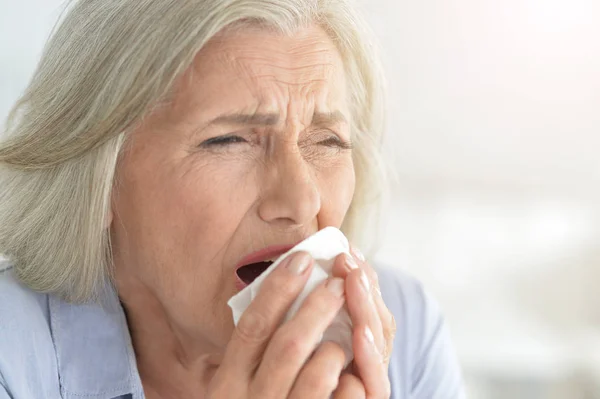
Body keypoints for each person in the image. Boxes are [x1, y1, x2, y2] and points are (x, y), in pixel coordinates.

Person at [0, 0, 465, 398]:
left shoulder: (404, 330)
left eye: (327, 142)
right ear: (97, 178)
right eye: (228, 141)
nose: (301, 201)